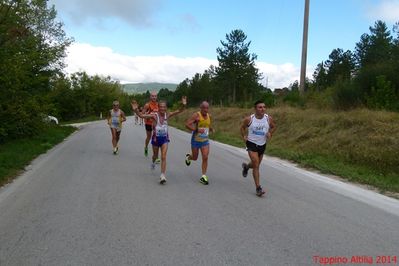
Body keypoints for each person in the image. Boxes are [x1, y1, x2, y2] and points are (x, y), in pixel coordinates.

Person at [131, 96, 187, 184]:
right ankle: (153, 162)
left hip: (164, 139)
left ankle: (162, 175)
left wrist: (183, 105)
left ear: (166, 108)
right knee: (155, 156)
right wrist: (136, 110)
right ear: (158, 108)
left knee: (163, 156)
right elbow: (141, 115)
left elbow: (179, 111)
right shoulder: (154, 115)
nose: (162, 108)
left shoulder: (167, 114)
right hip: (156, 140)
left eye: (164, 107)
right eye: (161, 107)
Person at [240, 100, 276, 197]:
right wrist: (244, 136)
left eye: (264, 107)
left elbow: (273, 127)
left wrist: (270, 133)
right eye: (260, 107)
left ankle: (246, 167)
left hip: (262, 144)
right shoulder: (249, 119)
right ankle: (258, 188)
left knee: (255, 164)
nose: (262, 109)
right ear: (255, 109)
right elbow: (242, 128)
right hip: (251, 143)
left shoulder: (268, 119)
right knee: (256, 164)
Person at [185, 101, 214, 185]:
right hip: (195, 140)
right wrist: (196, 129)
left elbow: (207, 125)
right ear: (200, 108)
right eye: (204, 108)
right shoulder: (196, 115)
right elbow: (187, 125)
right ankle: (188, 157)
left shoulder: (209, 116)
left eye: (207, 108)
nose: (206, 109)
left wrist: (211, 129)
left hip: (205, 140)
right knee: (195, 157)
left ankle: (203, 176)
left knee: (205, 157)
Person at [140, 92, 159, 158]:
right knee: (149, 137)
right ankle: (146, 147)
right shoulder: (147, 105)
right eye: (152, 96)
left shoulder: (158, 105)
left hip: (156, 124)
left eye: (155, 96)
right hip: (148, 123)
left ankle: (156, 155)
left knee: (156, 138)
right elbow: (141, 114)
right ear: (150, 97)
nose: (154, 97)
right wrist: (148, 115)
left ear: (157, 97)